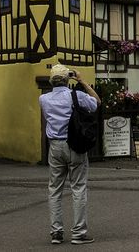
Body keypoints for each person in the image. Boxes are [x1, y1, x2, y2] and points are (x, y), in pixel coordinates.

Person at [40, 63, 100, 245]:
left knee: (55, 189)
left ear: (51, 81)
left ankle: (56, 232)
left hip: (55, 147)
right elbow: (97, 102)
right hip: (75, 145)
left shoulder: (43, 99)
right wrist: (82, 81)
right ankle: (78, 232)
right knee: (78, 188)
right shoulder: (77, 96)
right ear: (67, 79)